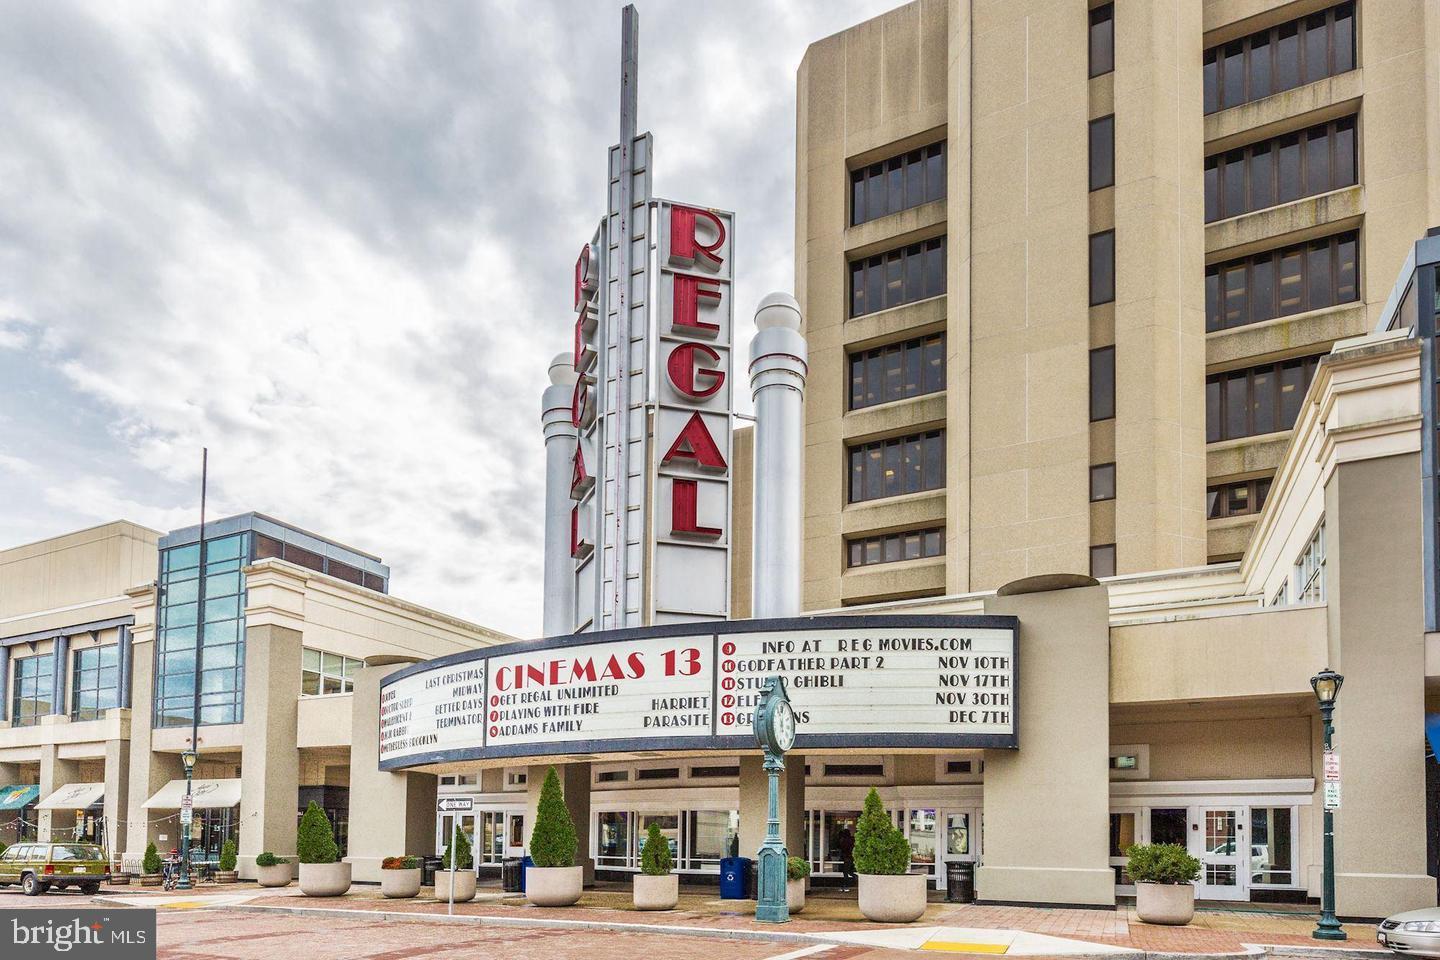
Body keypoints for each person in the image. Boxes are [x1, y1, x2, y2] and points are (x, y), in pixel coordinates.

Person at [835, 824, 856, 891]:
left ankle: (846, 885)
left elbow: (842, 848)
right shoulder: (852, 839)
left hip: (846, 858)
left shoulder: (844, 840)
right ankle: (854, 880)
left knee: (846, 872)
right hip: (850, 857)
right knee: (849, 872)